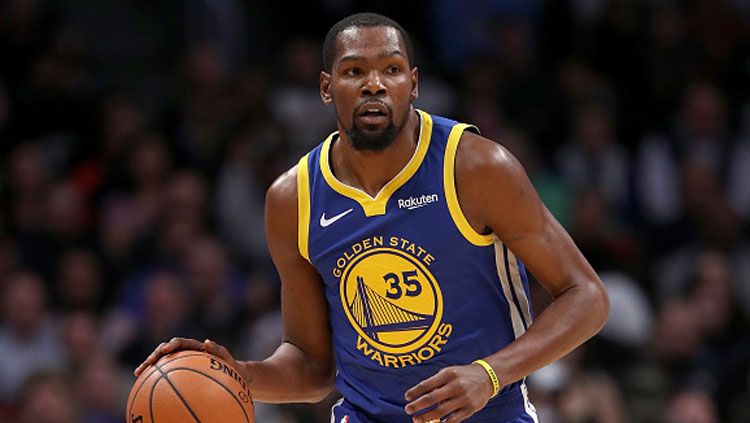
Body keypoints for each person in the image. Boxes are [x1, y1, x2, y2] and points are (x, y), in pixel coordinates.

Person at [135, 13, 609, 423]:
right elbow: (311, 366)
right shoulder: (293, 198)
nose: (375, 83)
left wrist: (491, 374)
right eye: (354, 70)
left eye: (392, 69)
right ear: (326, 87)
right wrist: (234, 375)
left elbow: (586, 296)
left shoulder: (476, 167)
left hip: (491, 412)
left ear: (414, 85)